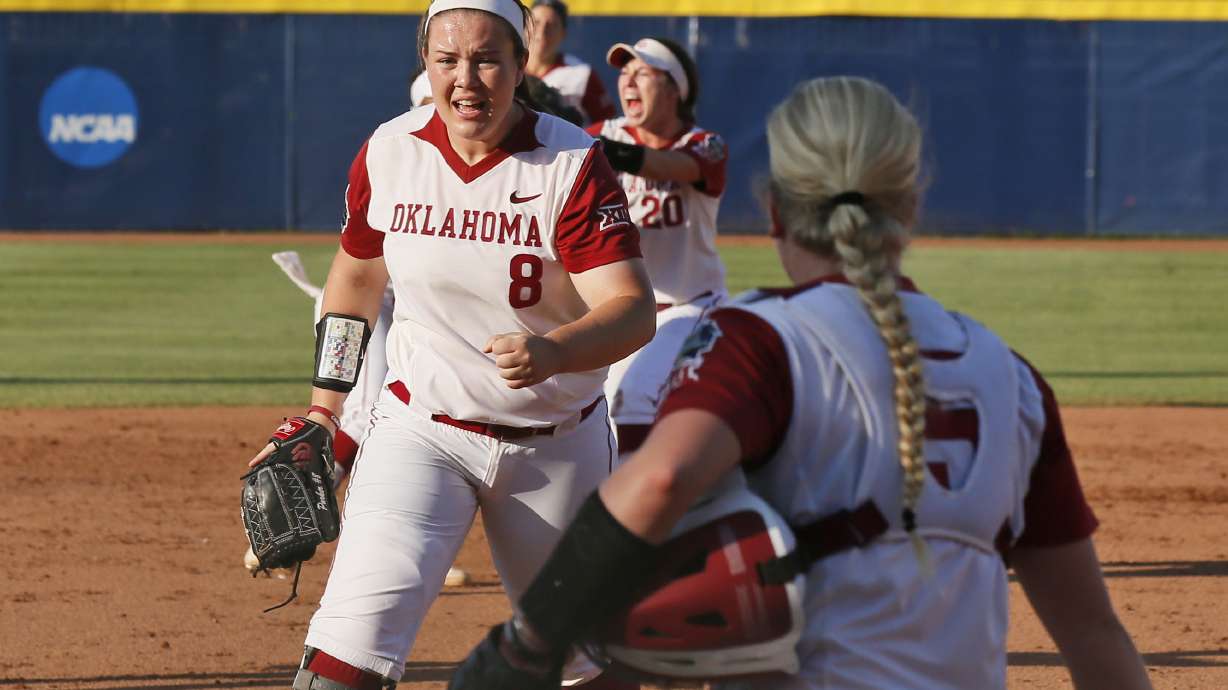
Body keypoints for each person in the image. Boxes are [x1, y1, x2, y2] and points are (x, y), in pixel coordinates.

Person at [449, 76, 1154, 690]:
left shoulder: (763, 340)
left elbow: (657, 485)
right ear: (910, 204)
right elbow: (1095, 636)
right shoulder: (1014, 377)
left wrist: (526, 645)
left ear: (777, 207)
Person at [246, 0, 657, 688]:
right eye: (447, 60)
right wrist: (325, 408)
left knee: (586, 664)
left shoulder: (570, 162)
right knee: (348, 643)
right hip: (421, 430)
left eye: (487, 58)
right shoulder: (390, 150)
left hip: (554, 443)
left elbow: (631, 309)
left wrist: (555, 352)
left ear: (520, 63)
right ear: (426, 65)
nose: (466, 79)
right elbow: (353, 282)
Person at [586, 37, 729, 456]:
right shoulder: (603, 135)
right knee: (593, 405)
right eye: (624, 73)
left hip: (689, 305)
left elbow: (674, 166)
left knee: (632, 397)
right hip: (621, 308)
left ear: (674, 89)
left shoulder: (705, 144)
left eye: (643, 72)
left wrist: (601, 151)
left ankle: (635, 508)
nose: (628, 81)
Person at [526, 0, 615, 125]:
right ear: (525, 27)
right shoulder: (509, 67)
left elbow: (607, 125)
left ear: (563, 33)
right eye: (536, 23)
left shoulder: (582, 74)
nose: (542, 31)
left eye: (552, 25)